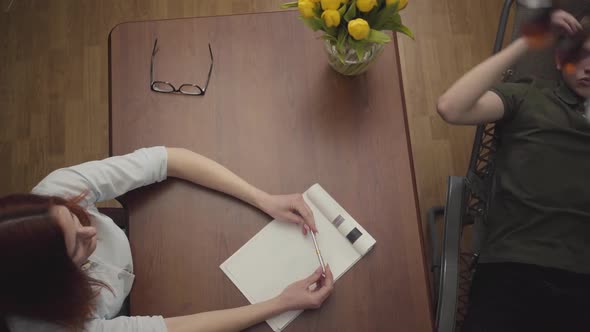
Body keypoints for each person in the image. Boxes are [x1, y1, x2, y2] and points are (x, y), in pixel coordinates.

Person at [0, 146, 334, 331]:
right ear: (52, 280)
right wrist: (281, 304)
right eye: (77, 245)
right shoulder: (56, 327)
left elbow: (167, 159)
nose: (91, 232)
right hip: (132, 310)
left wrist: (263, 198)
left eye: (76, 217)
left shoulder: (56, 191)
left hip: (142, 246)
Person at [437, 7, 590, 332]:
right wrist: (527, 40)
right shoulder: (528, 95)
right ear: (560, 59)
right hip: (514, 267)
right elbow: (451, 107)